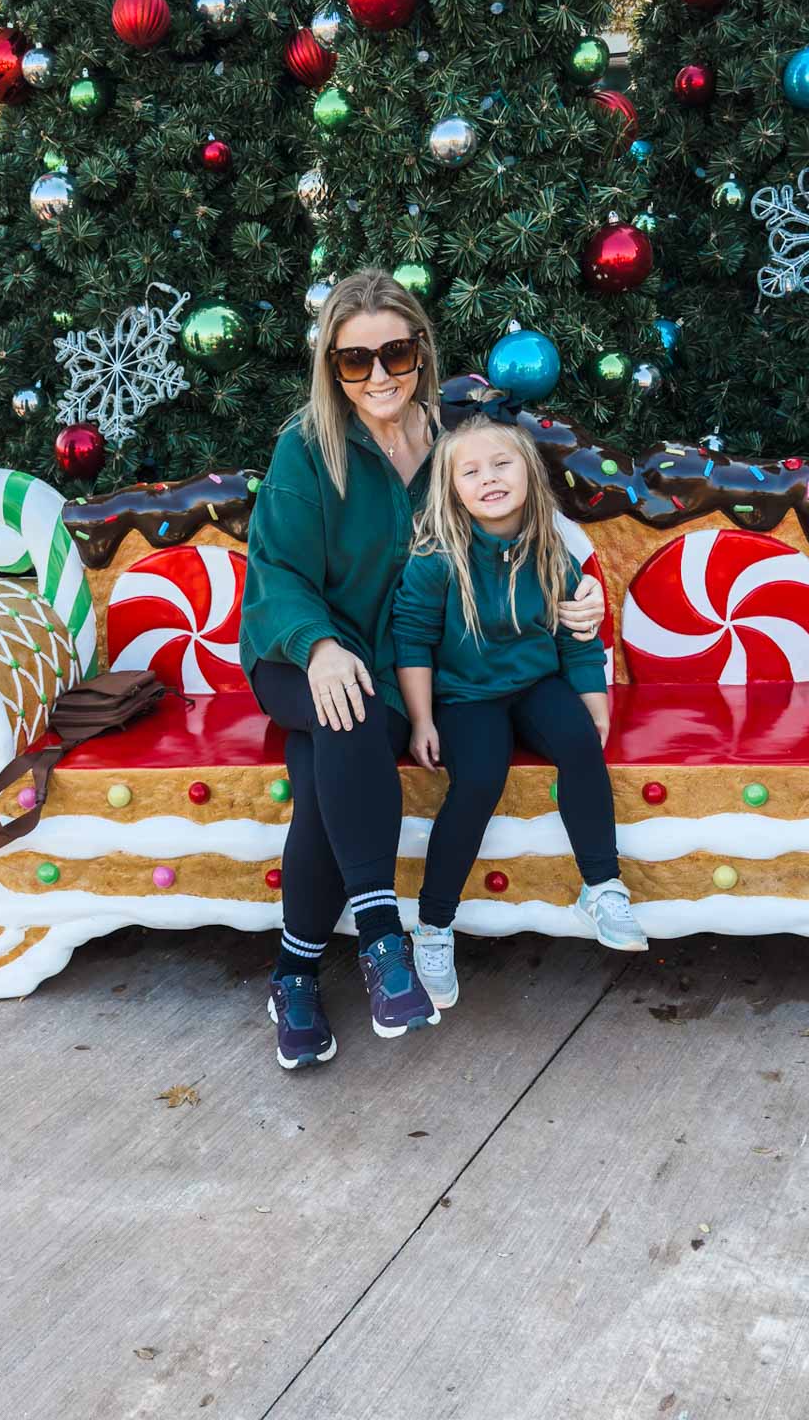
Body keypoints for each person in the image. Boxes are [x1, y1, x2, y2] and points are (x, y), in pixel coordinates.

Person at [239, 269, 606, 1069]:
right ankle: (382, 941)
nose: (378, 375)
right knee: (344, 715)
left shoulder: (451, 443)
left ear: (421, 353)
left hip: (396, 666)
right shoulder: (307, 448)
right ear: (332, 367)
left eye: (395, 353)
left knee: (326, 766)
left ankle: (294, 975)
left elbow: (522, 533)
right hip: (299, 651)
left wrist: (578, 602)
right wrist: (319, 646)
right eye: (355, 359)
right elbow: (277, 572)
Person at [392, 404, 648, 1014]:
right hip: (464, 696)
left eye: (502, 464)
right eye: (471, 471)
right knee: (480, 777)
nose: (489, 478)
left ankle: (602, 887)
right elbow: (412, 641)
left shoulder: (551, 551)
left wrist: (594, 702)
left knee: (580, 743)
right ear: (453, 490)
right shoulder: (437, 559)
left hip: (534, 684)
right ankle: (433, 923)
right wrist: (422, 719)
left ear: (529, 472)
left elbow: (575, 637)